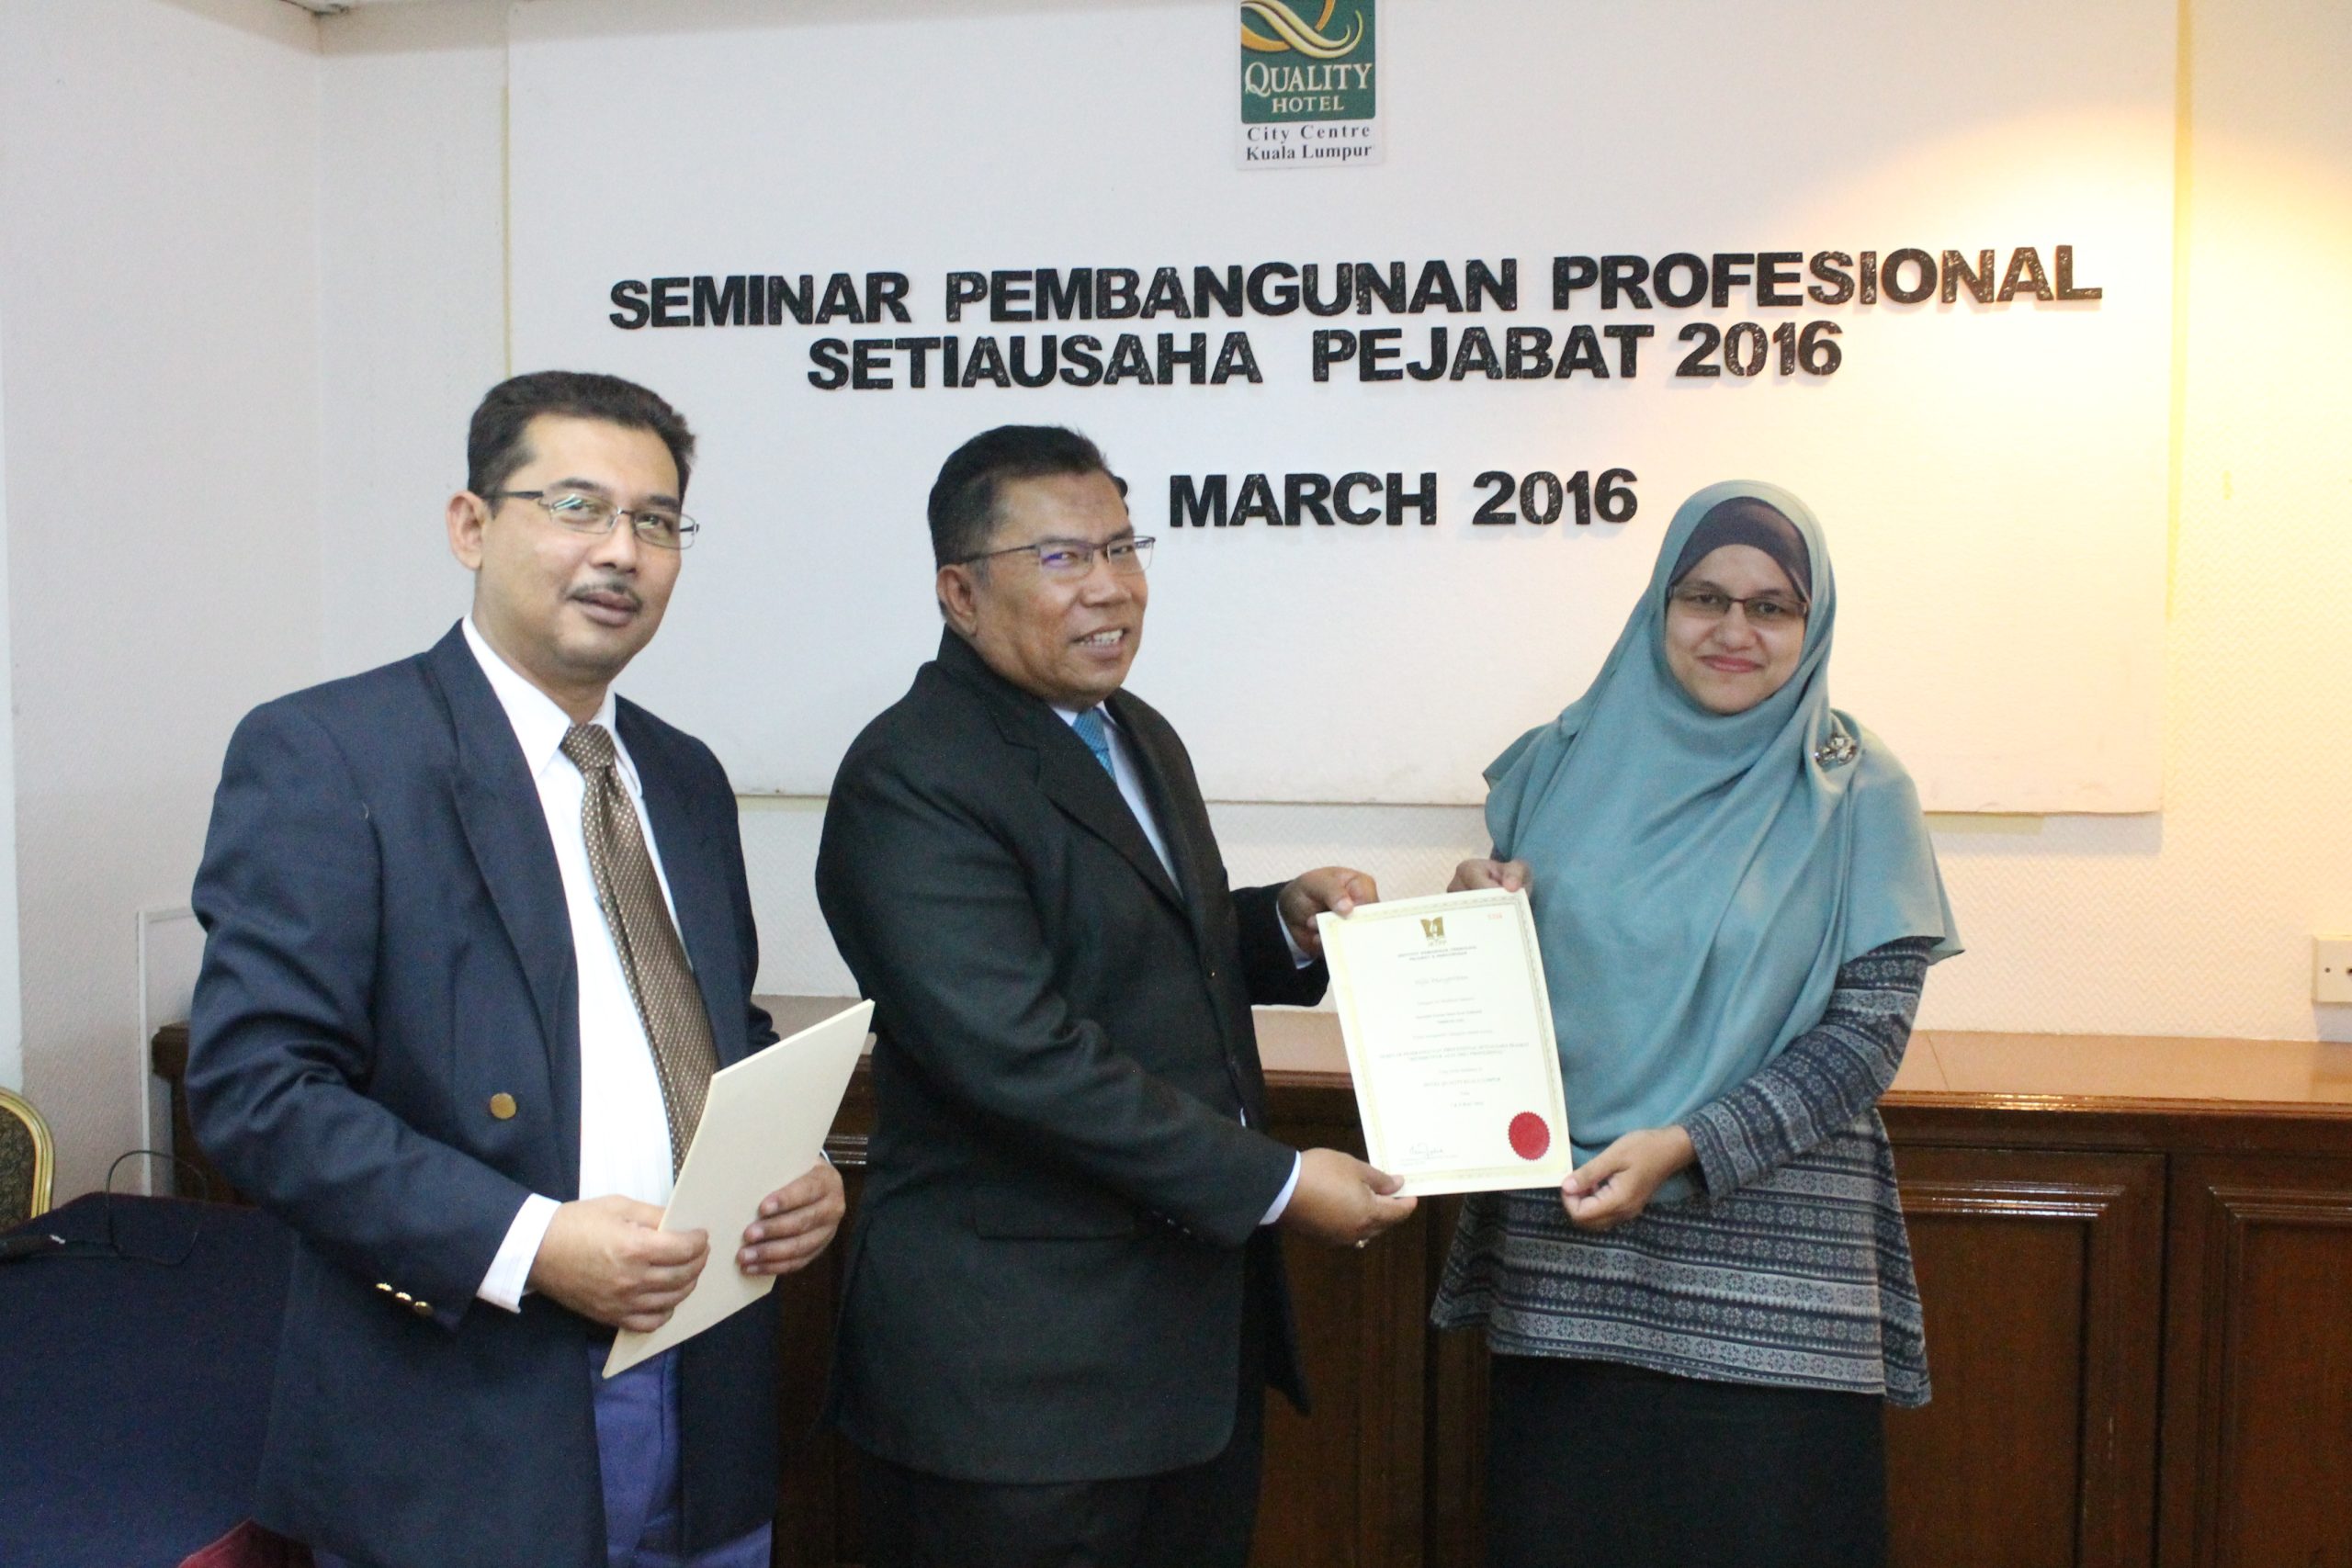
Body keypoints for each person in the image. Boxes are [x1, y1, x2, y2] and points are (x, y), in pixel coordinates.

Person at [186, 371, 844, 1568]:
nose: (621, 551)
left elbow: (709, 1026)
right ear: (471, 524)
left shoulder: (683, 775)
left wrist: (789, 1165)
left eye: (656, 521)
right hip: (462, 1410)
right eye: (577, 506)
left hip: (706, 1380)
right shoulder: (330, 751)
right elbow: (258, 1089)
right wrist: (532, 1241)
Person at [814, 423, 1417, 1568]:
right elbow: (1018, 1055)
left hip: (1184, 1365)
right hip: (1021, 1394)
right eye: (1059, 558)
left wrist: (1276, 926)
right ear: (959, 592)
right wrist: (1282, 1182)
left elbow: (1135, 952)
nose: (1110, 587)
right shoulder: (913, 774)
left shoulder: (1132, 732)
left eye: (1122, 547)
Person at [1433, 480, 1962, 1568]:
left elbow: (1863, 1041)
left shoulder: (1858, 791)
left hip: (1774, 1286)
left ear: (1811, 625)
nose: (1733, 631)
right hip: (1571, 1264)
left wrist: (1688, 1146)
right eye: (1704, 598)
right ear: (1657, 606)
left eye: (1771, 607)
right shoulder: (1559, 761)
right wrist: (1475, 920)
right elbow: (1525, 990)